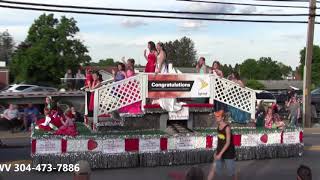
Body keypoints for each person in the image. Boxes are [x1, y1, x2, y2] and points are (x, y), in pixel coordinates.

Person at [208, 110, 237, 180]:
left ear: (223, 117)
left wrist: (220, 154)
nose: (216, 118)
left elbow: (228, 142)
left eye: (218, 116)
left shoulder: (227, 128)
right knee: (213, 168)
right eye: (216, 116)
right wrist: (217, 151)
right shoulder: (218, 126)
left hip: (229, 152)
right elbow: (220, 141)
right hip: (220, 150)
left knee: (232, 173)